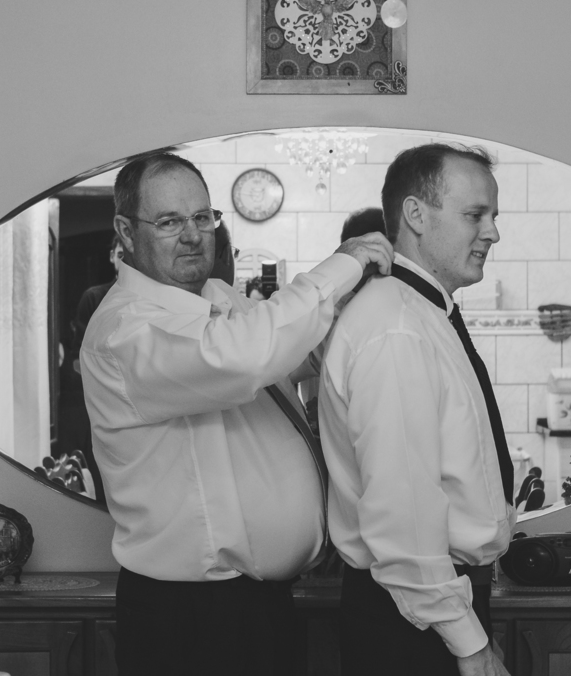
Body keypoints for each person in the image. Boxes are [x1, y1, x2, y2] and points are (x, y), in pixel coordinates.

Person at [79, 152, 393, 676]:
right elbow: (244, 359)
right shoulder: (124, 331)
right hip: (189, 619)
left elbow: (287, 356)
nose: (192, 236)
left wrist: (357, 320)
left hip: (261, 609)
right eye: (169, 221)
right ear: (126, 232)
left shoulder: (219, 299)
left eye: (202, 217)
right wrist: (342, 266)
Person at [318, 143, 517, 676]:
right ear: (416, 215)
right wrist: (468, 642)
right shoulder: (397, 328)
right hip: (411, 619)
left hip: (435, 605)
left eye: (493, 216)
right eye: (475, 215)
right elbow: (402, 513)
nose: (493, 233)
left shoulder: (423, 314)